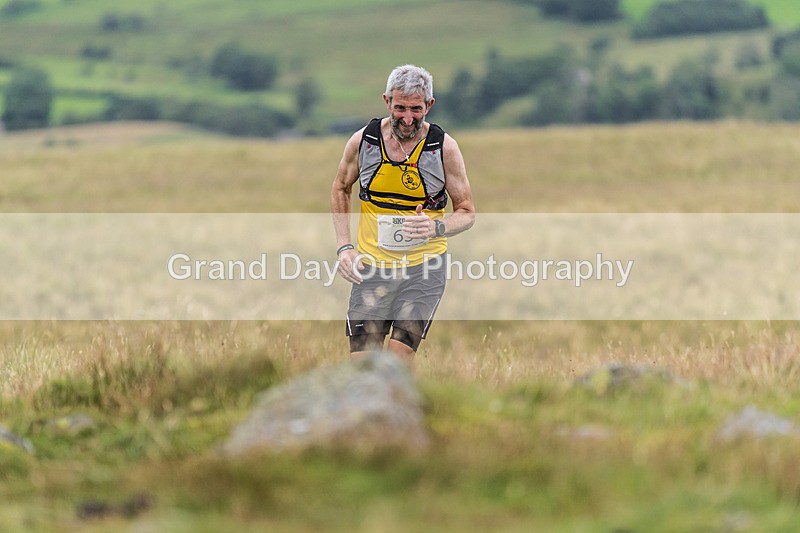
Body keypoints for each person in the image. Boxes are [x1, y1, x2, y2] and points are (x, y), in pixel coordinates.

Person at [330, 64, 476, 365]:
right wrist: (344, 247)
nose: (407, 118)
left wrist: (435, 227)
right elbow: (340, 187)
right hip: (371, 269)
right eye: (400, 108)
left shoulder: (443, 148)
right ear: (386, 102)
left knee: (397, 359)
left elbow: (466, 212)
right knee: (363, 363)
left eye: (416, 109)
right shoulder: (363, 142)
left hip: (423, 270)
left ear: (429, 105)